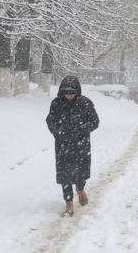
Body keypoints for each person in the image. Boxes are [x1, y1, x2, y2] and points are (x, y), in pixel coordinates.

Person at [46, 76, 100, 217]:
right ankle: (68, 202)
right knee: (65, 174)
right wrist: (58, 132)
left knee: (81, 172)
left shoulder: (86, 103)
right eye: (66, 93)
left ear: (77, 91)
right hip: (63, 145)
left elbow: (95, 121)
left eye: (72, 93)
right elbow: (50, 121)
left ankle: (80, 188)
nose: (69, 96)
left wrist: (81, 129)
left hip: (81, 145)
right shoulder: (56, 104)